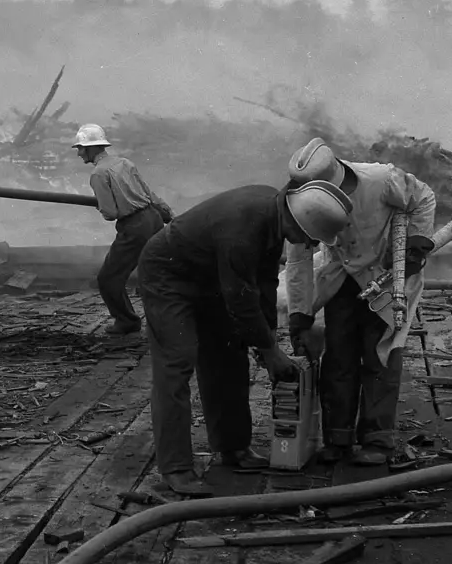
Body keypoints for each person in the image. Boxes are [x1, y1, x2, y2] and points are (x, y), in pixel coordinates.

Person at [137, 180, 354, 496]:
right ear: (298, 221)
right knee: (177, 361)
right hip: (168, 277)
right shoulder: (243, 228)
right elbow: (240, 297)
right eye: (310, 239)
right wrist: (269, 351)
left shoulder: (274, 213)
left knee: (229, 354)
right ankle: (176, 468)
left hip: (213, 277)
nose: (307, 245)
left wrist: (271, 339)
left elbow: (263, 283)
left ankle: (233, 447)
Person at [284, 138, 437, 466]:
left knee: (380, 355)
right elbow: (298, 257)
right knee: (338, 356)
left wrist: (417, 242)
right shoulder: (302, 200)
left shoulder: (381, 180)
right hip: (341, 276)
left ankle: (377, 440)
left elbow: (423, 197)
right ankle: (338, 439)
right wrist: (299, 310)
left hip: (388, 274)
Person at [72, 124, 174, 335]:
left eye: (81, 148)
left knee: (108, 278)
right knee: (155, 272)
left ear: (92, 149)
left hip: (134, 227)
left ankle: (127, 321)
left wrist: (101, 202)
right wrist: (168, 216)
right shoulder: (125, 163)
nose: (79, 152)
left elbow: (110, 213)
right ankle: (166, 321)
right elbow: (149, 194)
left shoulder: (98, 174)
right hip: (153, 219)